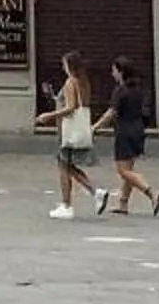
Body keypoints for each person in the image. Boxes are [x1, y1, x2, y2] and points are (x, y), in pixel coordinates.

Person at [33, 50, 106, 218]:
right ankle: (93, 193)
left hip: (70, 130)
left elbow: (71, 107)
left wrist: (48, 116)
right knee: (67, 165)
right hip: (81, 127)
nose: (62, 67)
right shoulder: (84, 82)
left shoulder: (70, 82)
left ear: (69, 66)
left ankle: (69, 204)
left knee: (63, 164)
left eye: (64, 64)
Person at [101, 57, 159, 216]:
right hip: (138, 130)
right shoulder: (137, 89)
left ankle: (151, 192)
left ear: (120, 72)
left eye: (114, 70)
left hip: (124, 131)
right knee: (129, 168)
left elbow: (112, 112)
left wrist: (95, 126)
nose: (112, 73)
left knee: (123, 171)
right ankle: (123, 204)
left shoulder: (120, 90)